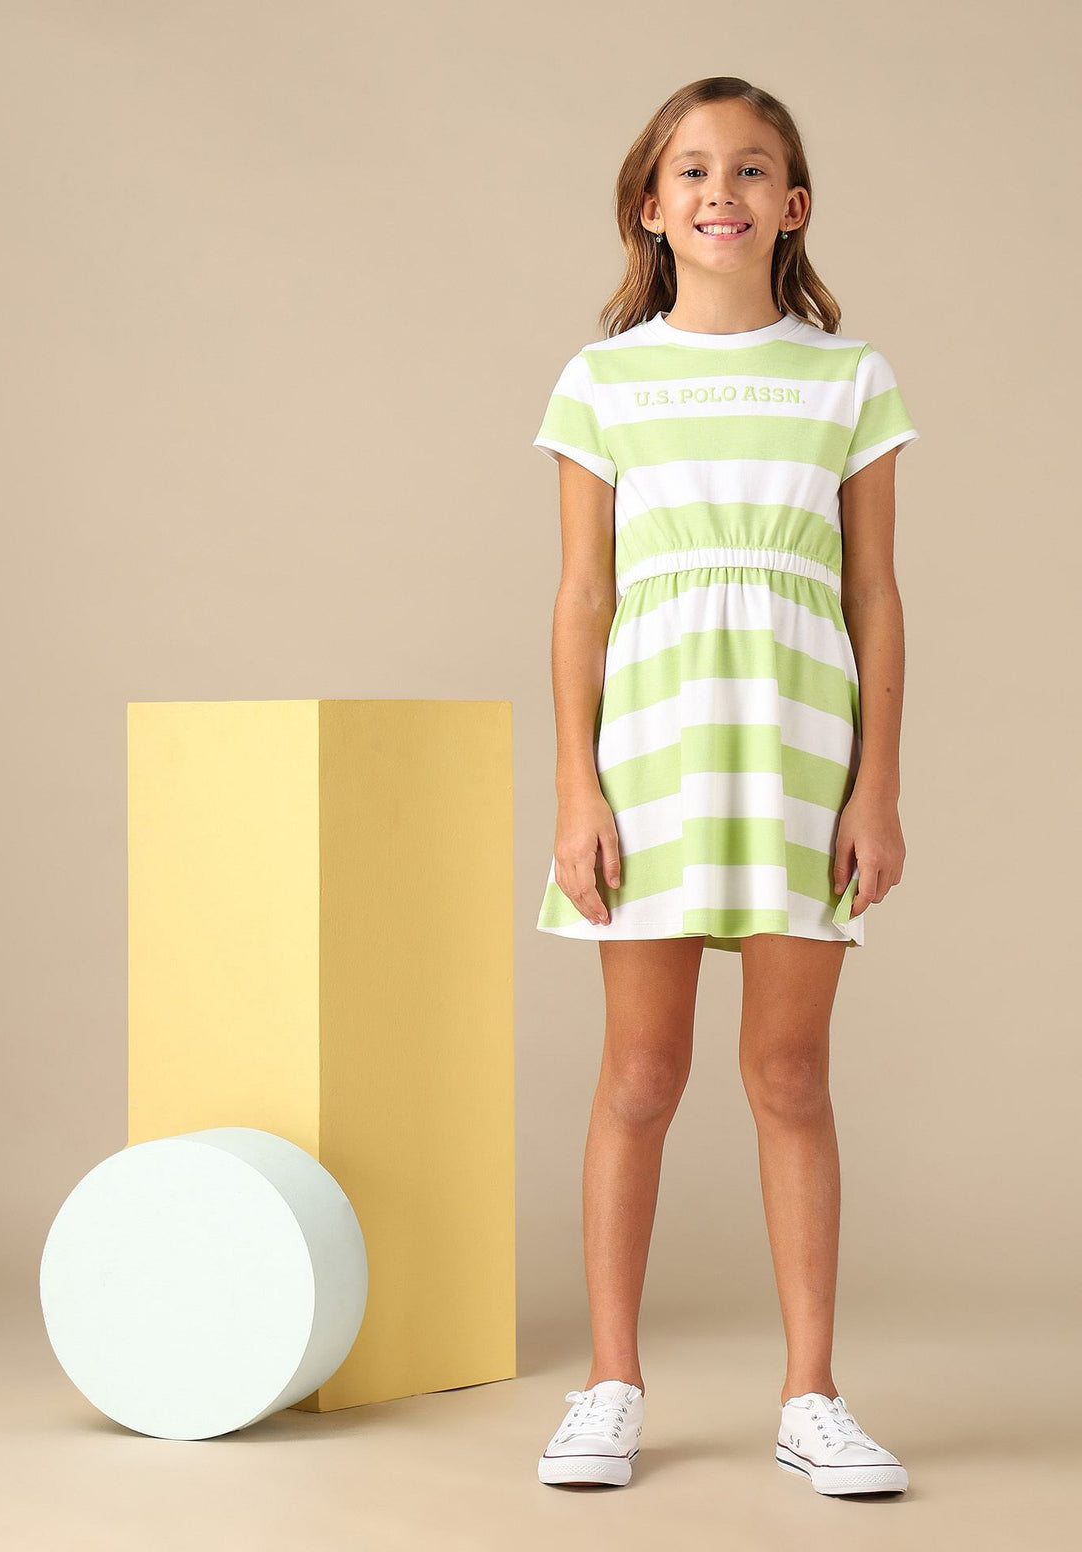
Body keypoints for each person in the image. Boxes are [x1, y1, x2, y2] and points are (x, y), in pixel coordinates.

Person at [533, 77, 917, 1496]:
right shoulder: (602, 382)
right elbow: (582, 597)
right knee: (640, 1075)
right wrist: (575, 791)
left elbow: (875, 596)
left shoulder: (849, 378)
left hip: (801, 758)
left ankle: (812, 1396)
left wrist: (877, 788)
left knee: (789, 1075)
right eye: (692, 169)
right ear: (650, 207)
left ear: (791, 206)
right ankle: (609, 1384)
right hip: (649, 760)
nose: (722, 191)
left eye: (753, 169)